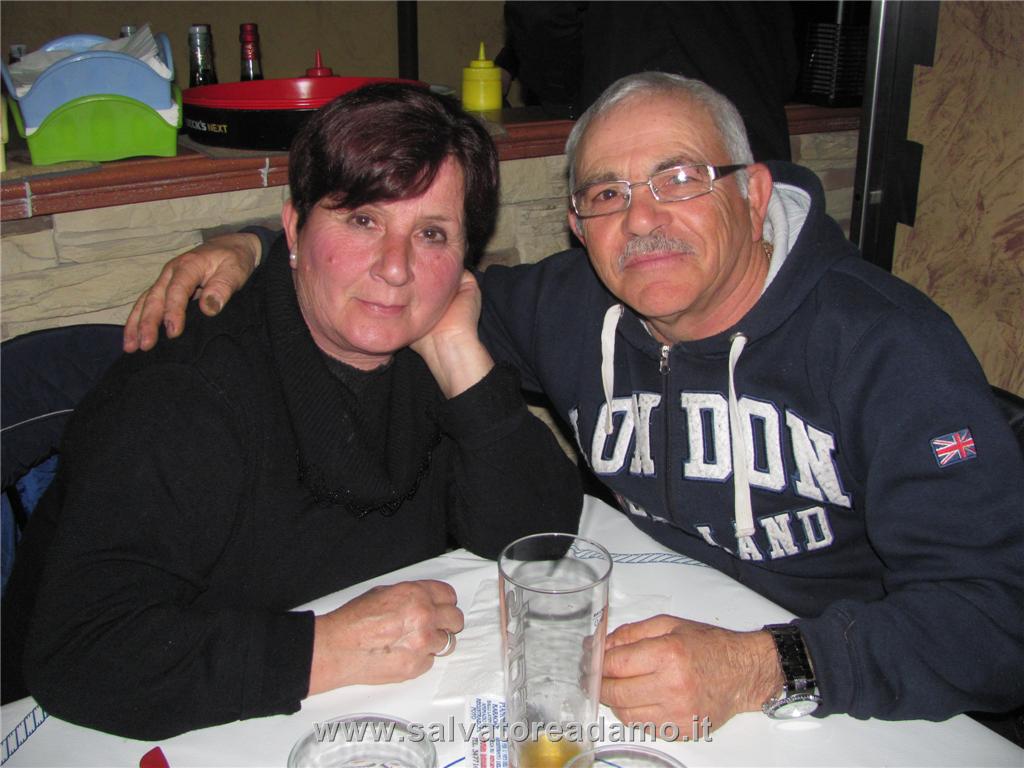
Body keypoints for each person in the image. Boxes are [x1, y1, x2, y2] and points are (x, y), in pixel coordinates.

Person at [123, 72, 1024, 732]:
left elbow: (999, 621)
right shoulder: (570, 305)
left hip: (836, 694)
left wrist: (764, 666)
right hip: (636, 663)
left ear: (753, 194)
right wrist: (255, 246)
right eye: (607, 194)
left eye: (680, 179)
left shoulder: (888, 348)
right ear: (577, 225)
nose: (643, 220)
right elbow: (393, 275)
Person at [7, 83, 582, 739]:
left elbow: (537, 538)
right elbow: (79, 649)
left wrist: (459, 356)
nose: (396, 268)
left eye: (431, 234)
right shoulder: (186, 393)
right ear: (293, 227)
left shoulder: (420, 350)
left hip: (361, 719)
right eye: (363, 220)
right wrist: (325, 649)